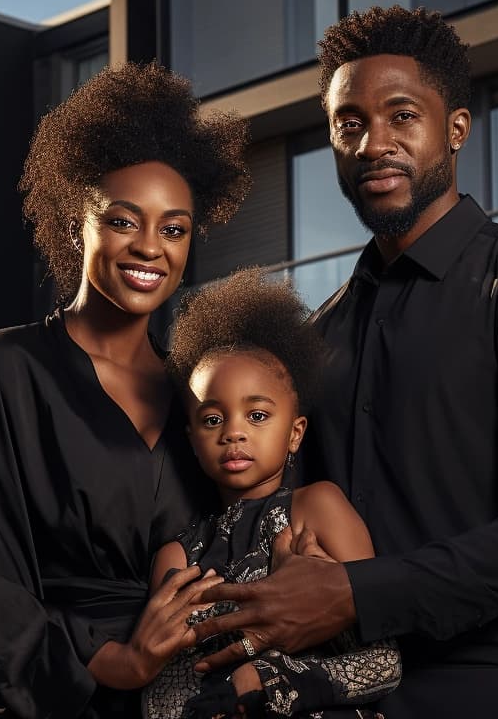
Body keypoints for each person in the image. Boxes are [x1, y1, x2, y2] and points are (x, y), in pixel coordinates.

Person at [190, 6, 498, 718]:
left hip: (475, 692)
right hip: (322, 698)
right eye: (348, 123)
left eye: (401, 116)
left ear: (456, 128)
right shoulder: (314, 340)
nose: (372, 144)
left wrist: (360, 594)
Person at [0, 62, 252, 718]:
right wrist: (115, 660)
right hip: (59, 692)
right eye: (123, 221)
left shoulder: (197, 395)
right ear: (74, 224)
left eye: (174, 229)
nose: (150, 248)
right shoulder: (7, 367)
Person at [142, 269, 400, 719]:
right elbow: (163, 695)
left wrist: (261, 679)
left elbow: (383, 663)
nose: (234, 432)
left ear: (295, 432)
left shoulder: (318, 508)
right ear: (193, 439)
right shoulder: (177, 558)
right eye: (212, 419)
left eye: (257, 415)